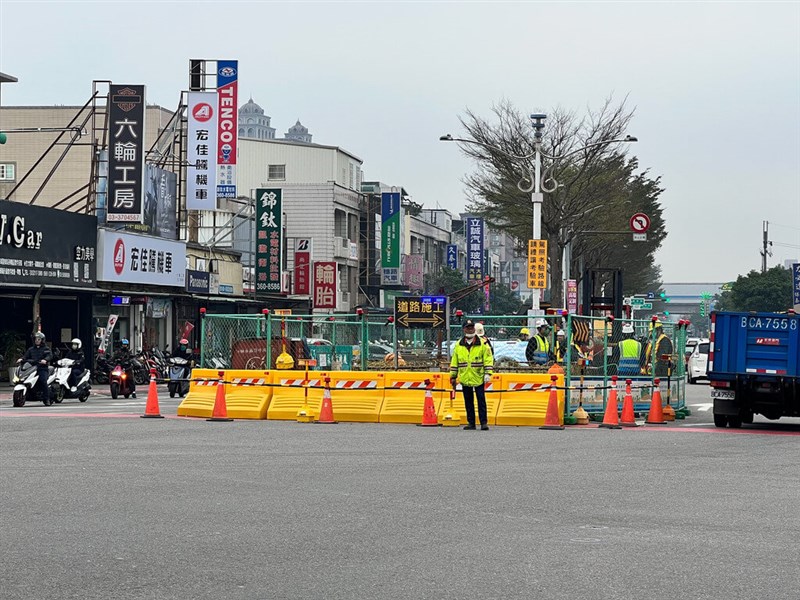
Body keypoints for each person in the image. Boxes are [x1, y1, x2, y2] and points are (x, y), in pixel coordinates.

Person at [450, 320, 494, 431]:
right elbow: (454, 362)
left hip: (478, 376)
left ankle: (483, 423)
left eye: (471, 327)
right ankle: (471, 423)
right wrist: (453, 376)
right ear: (464, 329)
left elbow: (488, 359)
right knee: (468, 401)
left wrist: (488, 373)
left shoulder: (483, 343)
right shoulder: (458, 345)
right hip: (465, 377)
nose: (470, 329)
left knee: (481, 400)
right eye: (467, 327)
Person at [21, 331, 53, 403]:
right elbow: (26, 356)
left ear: (42, 340)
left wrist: (45, 360)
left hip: (42, 368)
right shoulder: (31, 349)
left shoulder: (46, 349)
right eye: (36, 339)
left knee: (43, 381)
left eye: (39, 339)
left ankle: (46, 399)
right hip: (31, 369)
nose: (37, 341)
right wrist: (22, 359)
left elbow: (49, 356)